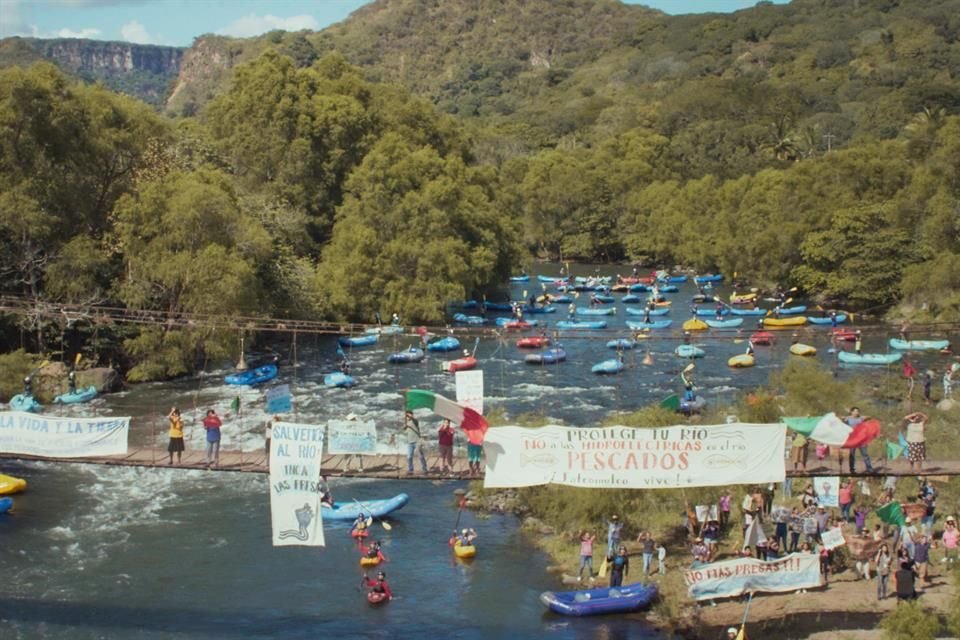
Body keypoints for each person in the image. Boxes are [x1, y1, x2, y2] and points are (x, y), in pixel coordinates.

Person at [844, 407, 874, 474]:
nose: (856, 413)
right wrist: (846, 419)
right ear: (851, 412)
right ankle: (852, 470)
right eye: (854, 411)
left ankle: (869, 469)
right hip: (852, 439)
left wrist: (861, 416)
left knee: (865, 454)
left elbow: (870, 417)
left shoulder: (861, 418)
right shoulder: (848, 418)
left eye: (857, 411)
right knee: (852, 455)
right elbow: (841, 420)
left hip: (861, 439)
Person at [403, 410, 428, 475]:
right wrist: (405, 426)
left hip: (417, 441)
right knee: (409, 457)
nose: (407, 417)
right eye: (406, 416)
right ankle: (410, 470)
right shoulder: (406, 423)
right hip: (410, 442)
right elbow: (404, 430)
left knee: (420, 456)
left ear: (412, 415)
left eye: (408, 415)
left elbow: (414, 421)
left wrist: (410, 417)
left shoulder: (415, 421)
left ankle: (424, 469)